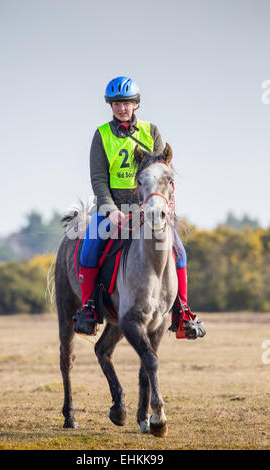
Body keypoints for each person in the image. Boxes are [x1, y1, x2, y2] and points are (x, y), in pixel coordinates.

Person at [74, 76, 205, 339]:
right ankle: (88, 308)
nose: (122, 108)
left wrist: (154, 206)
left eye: (127, 103)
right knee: (88, 249)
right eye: (117, 104)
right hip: (112, 209)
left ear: (136, 104)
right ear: (111, 106)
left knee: (178, 252)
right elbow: (98, 179)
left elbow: (159, 172)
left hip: (148, 208)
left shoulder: (151, 131)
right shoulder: (101, 136)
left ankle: (183, 311)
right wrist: (110, 209)